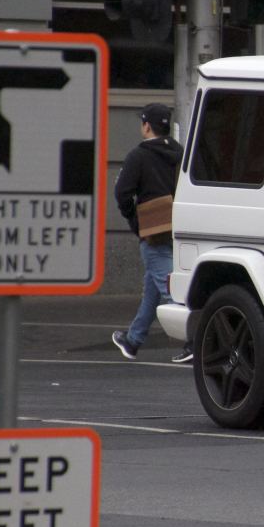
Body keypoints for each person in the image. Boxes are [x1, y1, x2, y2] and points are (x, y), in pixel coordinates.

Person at [112, 104, 190, 363]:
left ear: (147, 126)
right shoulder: (180, 153)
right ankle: (133, 341)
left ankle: (195, 342)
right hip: (178, 228)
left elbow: (122, 193)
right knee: (153, 290)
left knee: (170, 292)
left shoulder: (138, 156)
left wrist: (137, 222)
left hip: (153, 232)